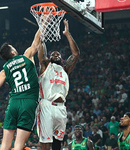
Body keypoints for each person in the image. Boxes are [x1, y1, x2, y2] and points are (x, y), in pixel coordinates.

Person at [37, 19, 80, 150]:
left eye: (58, 54)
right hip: (47, 106)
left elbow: (76, 53)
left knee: (57, 143)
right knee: (46, 142)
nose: (55, 54)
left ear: (62, 59)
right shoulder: (45, 66)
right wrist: (42, 31)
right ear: (49, 58)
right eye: (53, 54)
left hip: (61, 108)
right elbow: (41, 46)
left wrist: (67, 34)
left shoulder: (65, 69)